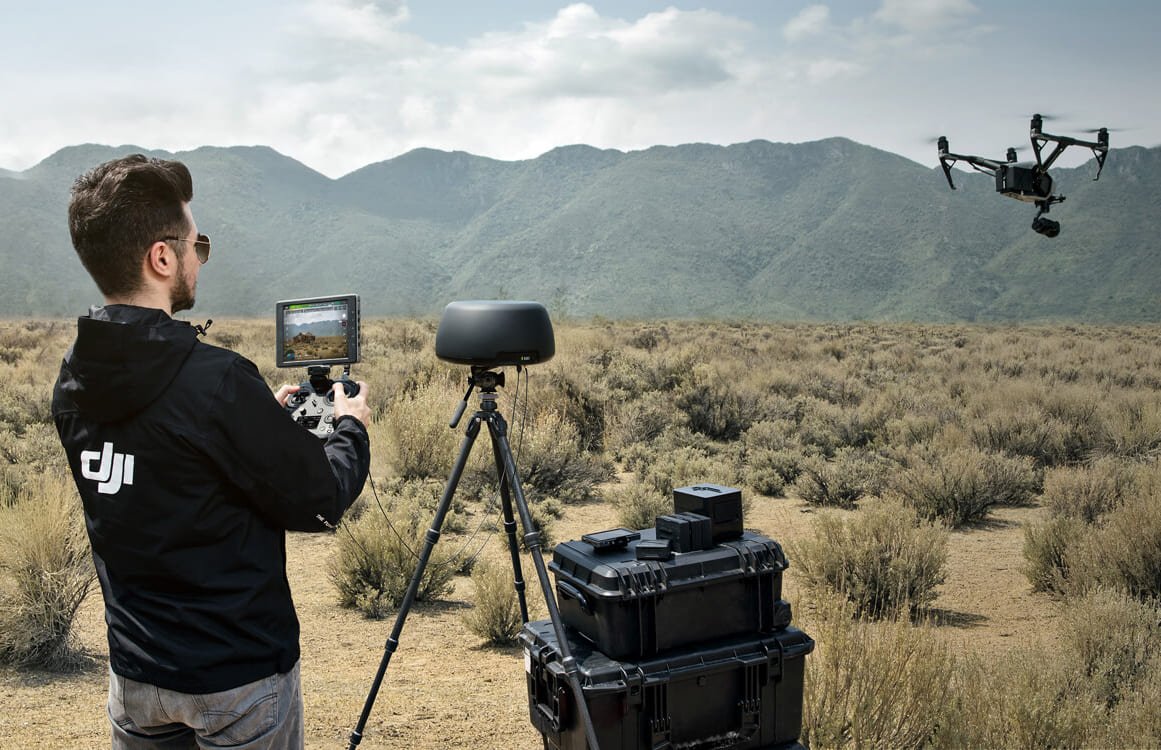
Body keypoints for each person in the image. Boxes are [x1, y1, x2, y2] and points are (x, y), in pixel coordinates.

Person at [52, 154, 371, 749]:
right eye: (196, 242)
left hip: (137, 677)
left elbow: (158, 480)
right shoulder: (217, 381)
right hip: (237, 679)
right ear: (163, 257)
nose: (200, 256)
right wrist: (351, 427)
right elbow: (319, 501)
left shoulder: (72, 382)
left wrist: (258, 429)